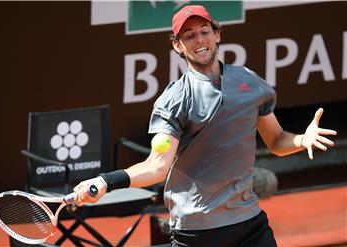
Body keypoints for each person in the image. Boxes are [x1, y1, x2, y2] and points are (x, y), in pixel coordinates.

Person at [73, 5, 337, 247]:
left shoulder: (249, 82)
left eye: (204, 31)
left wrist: (302, 140)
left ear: (217, 35)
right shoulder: (174, 100)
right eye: (188, 35)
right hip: (199, 232)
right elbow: (157, 166)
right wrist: (107, 181)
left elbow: (276, 140)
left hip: (250, 223)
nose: (199, 39)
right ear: (176, 45)